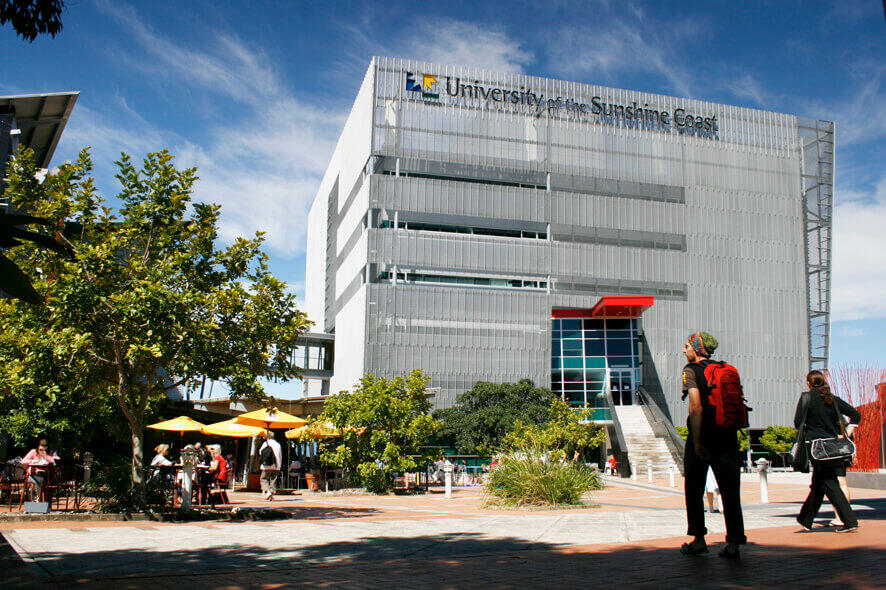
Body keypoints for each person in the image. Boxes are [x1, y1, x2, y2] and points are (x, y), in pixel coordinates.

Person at [680, 332, 746, 559]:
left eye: (687, 345)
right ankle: (734, 543)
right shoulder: (724, 369)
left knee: (694, 489)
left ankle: (698, 540)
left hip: (704, 434)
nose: (683, 350)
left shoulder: (691, 370)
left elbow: (696, 407)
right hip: (727, 435)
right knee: (730, 491)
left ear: (697, 348)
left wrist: (697, 442)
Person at [795, 370, 861, 533]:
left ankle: (850, 521)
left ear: (809, 383)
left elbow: (798, 423)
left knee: (829, 483)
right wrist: (847, 432)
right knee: (819, 483)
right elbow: (855, 414)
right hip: (834, 447)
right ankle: (806, 519)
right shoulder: (832, 399)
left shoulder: (806, 398)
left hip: (817, 448)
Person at [258, 431, 282, 501]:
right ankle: (271, 492)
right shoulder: (278, 444)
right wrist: (279, 466)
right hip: (276, 465)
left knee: (264, 478)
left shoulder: (266, 443)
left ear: (267, 438)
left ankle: (267, 491)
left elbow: (260, 452)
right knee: (273, 480)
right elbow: (280, 455)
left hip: (267, 465)